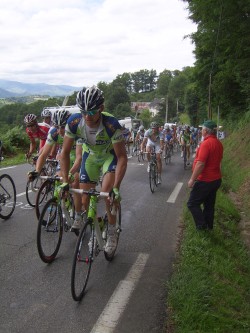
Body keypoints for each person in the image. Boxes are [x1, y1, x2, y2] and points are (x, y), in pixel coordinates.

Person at [60, 86, 127, 253]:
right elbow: (65, 153)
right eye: (83, 112)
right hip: (90, 157)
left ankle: (111, 232)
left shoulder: (111, 124)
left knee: (107, 195)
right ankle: (97, 222)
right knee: (84, 201)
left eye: (91, 112)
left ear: (101, 109)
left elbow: (122, 157)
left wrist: (116, 187)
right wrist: (65, 181)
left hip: (108, 157)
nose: (87, 116)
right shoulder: (74, 122)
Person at [28, 109, 83, 231]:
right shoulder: (53, 132)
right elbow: (43, 154)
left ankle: (78, 215)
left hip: (78, 158)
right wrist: (37, 171)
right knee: (59, 179)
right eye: (57, 126)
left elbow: (79, 158)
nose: (60, 131)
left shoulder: (77, 131)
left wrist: (69, 174)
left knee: (75, 182)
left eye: (63, 127)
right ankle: (66, 202)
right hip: (64, 157)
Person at [187, 120, 223, 230]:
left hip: (205, 180)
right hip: (216, 179)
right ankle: (208, 227)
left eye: (202, 129)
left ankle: (201, 226)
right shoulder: (218, 143)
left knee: (192, 203)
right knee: (209, 206)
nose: (201, 131)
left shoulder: (206, 144)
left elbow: (201, 163)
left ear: (206, 131)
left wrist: (192, 179)